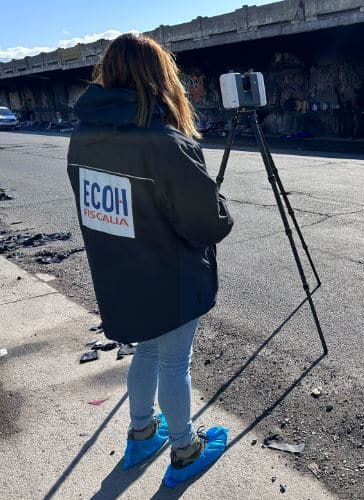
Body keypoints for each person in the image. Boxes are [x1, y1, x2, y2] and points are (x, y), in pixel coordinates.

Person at [66, 33, 234, 486]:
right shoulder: (163, 141)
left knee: (145, 350)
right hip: (169, 276)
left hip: (120, 276)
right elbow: (206, 225)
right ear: (158, 77)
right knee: (175, 362)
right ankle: (184, 447)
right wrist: (219, 208)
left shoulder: (83, 138)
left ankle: (142, 432)